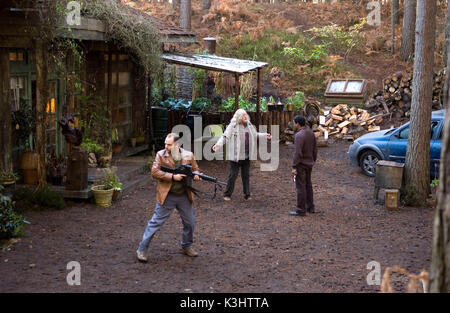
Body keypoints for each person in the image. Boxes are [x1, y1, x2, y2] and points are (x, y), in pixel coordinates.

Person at [136, 133, 201, 262]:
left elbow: (195, 169)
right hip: (167, 195)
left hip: (184, 195)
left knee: (190, 223)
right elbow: (154, 172)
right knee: (155, 223)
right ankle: (141, 249)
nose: (166, 146)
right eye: (165, 143)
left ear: (177, 144)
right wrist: (172, 176)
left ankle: (186, 246)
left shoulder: (188, 155)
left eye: (169, 144)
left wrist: (197, 175)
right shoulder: (161, 154)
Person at [212, 109, 271, 201]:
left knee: (246, 175)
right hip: (235, 157)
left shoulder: (249, 125)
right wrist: (217, 145)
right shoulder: (233, 126)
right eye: (243, 115)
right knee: (233, 175)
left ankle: (247, 194)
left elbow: (255, 134)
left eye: (245, 115)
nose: (245, 116)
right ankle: (227, 194)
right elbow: (225, 136)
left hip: (246, 155)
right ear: (239, 116)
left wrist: (264, 135)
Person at [290, 115, 317, 217]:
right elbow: (315, 149)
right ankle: (310, 207)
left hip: (301, 164)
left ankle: (301, 209)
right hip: (309, 163)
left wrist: (294, 166)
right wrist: (313, 160)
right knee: (308, 185)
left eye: (294, 123)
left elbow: (298, 153)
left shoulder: (299, 136)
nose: (293, 124)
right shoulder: (311, 133)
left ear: (297, 123)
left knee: (300, 186)